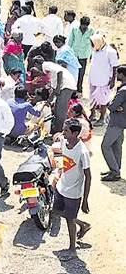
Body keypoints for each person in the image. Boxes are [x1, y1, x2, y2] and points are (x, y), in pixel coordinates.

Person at [55, 118, 92, 259]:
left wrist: (85, 200)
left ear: (76, 133)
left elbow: (88, 176)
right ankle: (83, 225)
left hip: (74, 192)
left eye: (66, 130)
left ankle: (72, 249)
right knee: (57, 210)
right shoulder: (64, 141)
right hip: (61, 186)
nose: (63, 132)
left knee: (69, 219)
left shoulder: (82, 152)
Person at [100, 65, 126, 182]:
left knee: (105, 145)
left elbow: (112, 106)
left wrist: (113, 105)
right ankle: (115, 169)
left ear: (122, 75)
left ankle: (115, 171)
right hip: (122, 121)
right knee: (116, 146)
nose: (117, 76)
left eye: (118, 74)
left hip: (116, 121)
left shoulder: (122, 91)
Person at [37, 57, 76, 133]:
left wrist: (58, 87)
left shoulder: (45, 65)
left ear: (36, 64)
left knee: (61, 111)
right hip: (65, 86)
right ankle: (56, 129)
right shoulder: (50, 72)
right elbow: (54, 89)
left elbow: (59, 72)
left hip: (66, 86)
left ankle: (61, 131)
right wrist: (48, 100)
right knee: (57, 109)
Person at [88, 34, 119, 126]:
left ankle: (102, 118)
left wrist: (113, 79)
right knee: (92, 98)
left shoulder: (110, 52)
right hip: (93, 78)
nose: (91, 45)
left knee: (102, 100)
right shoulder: (95, 50)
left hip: (104, 80)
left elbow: (115, 66)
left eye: (92, 43)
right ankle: (92, 114)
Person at [68, 16, 94, 93]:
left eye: (86, 26)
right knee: (72, 72)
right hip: (74, 54)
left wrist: (92, 54)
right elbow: (70, 41)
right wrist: (68, 53)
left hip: (84, 55)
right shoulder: (75, 29)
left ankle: (79, 89)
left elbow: (93, 44)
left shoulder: (91, 31)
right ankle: (72, 88)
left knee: (81, 73)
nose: (84, 27)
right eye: (83, 26)